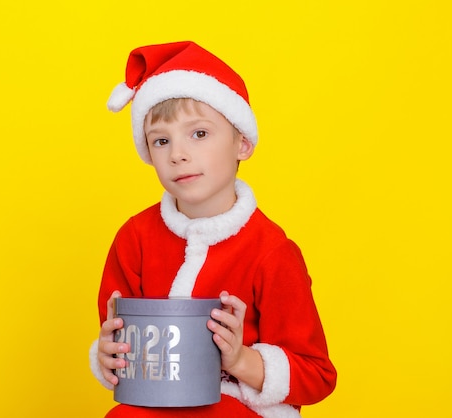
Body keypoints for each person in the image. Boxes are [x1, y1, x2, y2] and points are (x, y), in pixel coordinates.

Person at [89, 41, 336, 417]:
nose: (178, 153)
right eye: (161, 140)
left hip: (240, 406)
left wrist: (240, 360)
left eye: (199, 134)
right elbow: (120, 341)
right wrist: (109, 356)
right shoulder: (134, 239)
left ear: (243, 143)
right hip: (154, 404)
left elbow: (316, 375)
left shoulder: (273, 251)